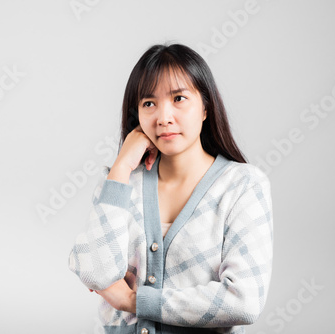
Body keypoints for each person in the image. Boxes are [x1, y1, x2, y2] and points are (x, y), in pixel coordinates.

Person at [68, 43, 273, 334]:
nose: (163, 118)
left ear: (205, 107)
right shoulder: (120, 182)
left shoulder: (243, 186)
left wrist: (134, 300)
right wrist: (123, 165)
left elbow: (243, 301)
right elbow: (95, 273)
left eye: (179, 98)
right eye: (149, 103)